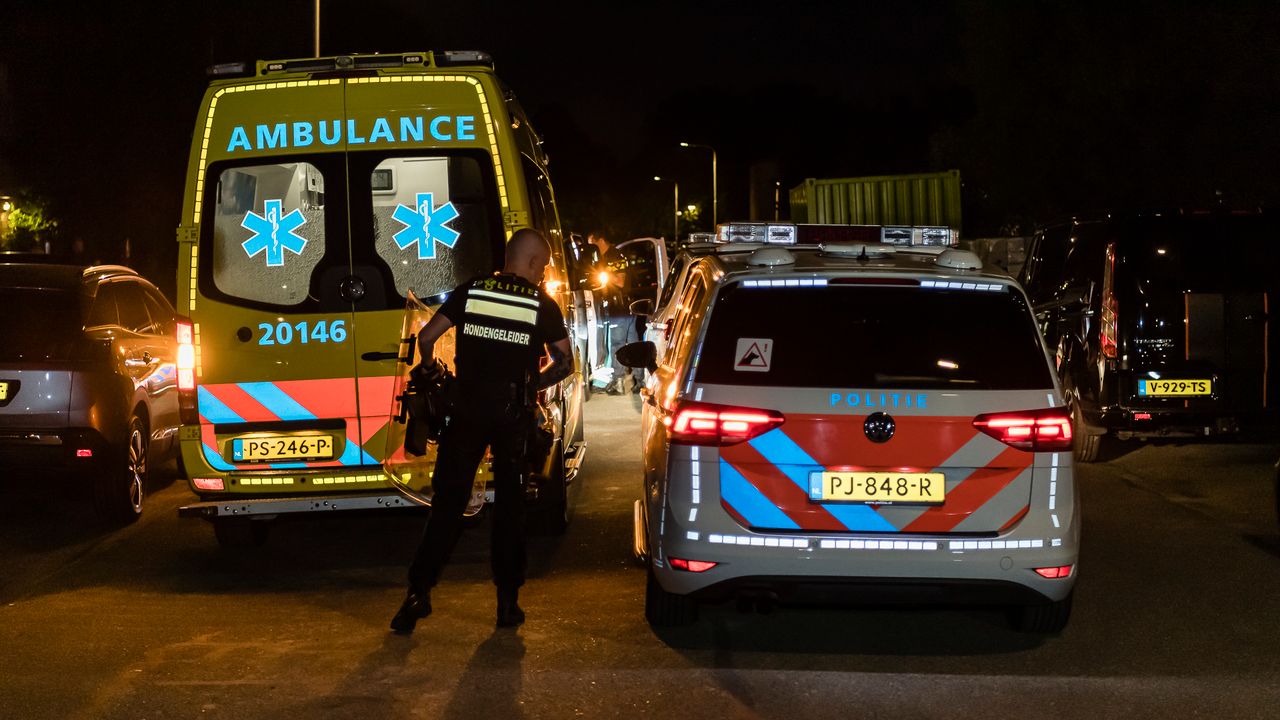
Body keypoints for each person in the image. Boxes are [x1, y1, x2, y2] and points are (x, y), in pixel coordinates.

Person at [391, 228, 573, 633]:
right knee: (510, 510)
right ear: (529, 261)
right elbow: (564, 363)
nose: (543, 273)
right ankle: (507, 604)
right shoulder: (540, 304)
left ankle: (417, 595)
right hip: (512, 418)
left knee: (447, 506)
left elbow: (426, 337)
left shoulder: (471, 291)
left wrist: (430, 369)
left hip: (466, 412)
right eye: (541, 264)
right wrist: (532, 386)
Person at [590, 232, 642, 395]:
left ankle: (618, 382)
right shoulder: (608, 256)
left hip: (619, 306)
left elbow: (620, 281)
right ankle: (640, 381)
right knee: (633, 343)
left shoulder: (614, 256)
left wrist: (603, 275)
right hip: (623, 305)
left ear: (601, 239)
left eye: (592, 243)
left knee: (617, 343)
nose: (591, 247)